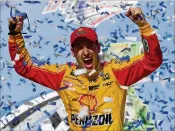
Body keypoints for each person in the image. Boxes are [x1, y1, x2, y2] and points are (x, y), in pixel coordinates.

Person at [8, 7, 162, 131]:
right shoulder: (62, 76)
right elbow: (24, 67)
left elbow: (152, 61)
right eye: (79, 47)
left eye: (90, 46)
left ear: (98, 48)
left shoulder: (116, 71)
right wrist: (14, 34)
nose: (86, 52)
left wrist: (144, 26)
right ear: (73, 52)